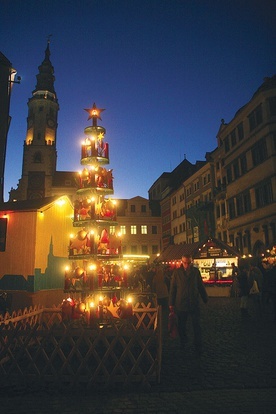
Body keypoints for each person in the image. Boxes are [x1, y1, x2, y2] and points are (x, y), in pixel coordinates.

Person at [169, 254, 208, 354]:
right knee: (182, 325)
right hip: (181, 303)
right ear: (182, 262)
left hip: (193, 302)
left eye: (189, 263)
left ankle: (198, 345)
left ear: (191, 262)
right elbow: (173, 288)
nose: (187, 265)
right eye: (185, 263)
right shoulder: (177, 273)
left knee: (197, 325)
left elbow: (200, 285)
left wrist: (205, 298)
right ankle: (183, 342)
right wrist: (171, 303)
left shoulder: (195, 272)